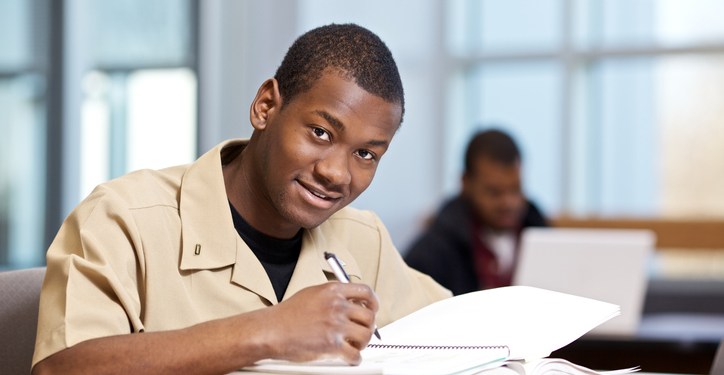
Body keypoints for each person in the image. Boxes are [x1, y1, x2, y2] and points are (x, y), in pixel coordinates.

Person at [32, 24, 450, 374]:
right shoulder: (124, 218)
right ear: (266, 106)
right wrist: (271, 330)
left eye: (365, 154)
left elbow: (466, 336)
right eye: (320, 133)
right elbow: (62, 368)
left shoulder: (365, 240)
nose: (336, 174)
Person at [404, 128, 547, 295]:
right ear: (465, 183)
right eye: (494, 192)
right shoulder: (431, 254)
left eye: (515, 190)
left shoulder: (544, 234)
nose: (508, 203)